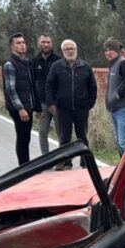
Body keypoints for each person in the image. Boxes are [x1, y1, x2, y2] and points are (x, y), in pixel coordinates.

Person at [44, 39, 97, 170]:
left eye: (72, 48)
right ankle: (65, 162)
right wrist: (51, 104)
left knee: (82, 137)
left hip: (81, 108)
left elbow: (93, 87)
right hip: (63, 109)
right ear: (63, 51)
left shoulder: (85, 66)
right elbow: (49, 85)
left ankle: (85, 162)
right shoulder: (56, 66)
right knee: (64, 138)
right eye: (67, 49)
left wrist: (89, 103)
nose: (70, 51)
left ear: (76, 49)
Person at [2, 33, 41, 166]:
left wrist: (36, 107)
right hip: (19, 108)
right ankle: (24, 167)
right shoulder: (10, 64)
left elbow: (31, 86)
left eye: (23, 42)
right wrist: (20, 108)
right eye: (18, 43)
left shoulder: (27, 63)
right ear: (12, 47)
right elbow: (10, 89)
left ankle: (26, 165)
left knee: (26, 137)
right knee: (23, 138)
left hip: (28, 106)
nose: (22, 45)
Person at [103, 38, 125, 157]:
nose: (108, 52)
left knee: (124, 143)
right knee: (119, 142)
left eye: (111, 49)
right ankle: (123, 169)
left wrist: (117, 96)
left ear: (117, 50)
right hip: (115, 110)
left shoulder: (123, 63)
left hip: (124, 109)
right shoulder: (112, 65)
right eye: (106, 50)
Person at [31, 34, 61, 157]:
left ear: (52, 44)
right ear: (39, 44)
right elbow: (32, 84)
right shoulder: (34, 62)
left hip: (58, 103)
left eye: (48, 42)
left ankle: (62, 159)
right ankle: (46, 158)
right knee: (43, 132)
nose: (46, 44)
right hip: (42, 104)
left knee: (62, 133)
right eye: (43, 42)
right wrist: (35, 107)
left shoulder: (59, 60)